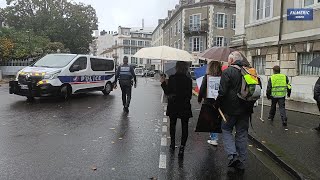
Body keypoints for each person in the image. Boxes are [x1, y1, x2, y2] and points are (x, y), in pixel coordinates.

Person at [215, 51, 254, 170]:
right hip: (246, 109)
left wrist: (217, 104)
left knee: (226, 129)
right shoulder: (248, 71)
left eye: (228, 60)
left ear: (232, 60)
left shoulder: (228, 72)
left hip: (230, 109)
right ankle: (241, 161)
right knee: (242, 133)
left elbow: (222, 92)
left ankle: (232, 156)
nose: (227, 62)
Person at [160, 61, 193, 158]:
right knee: (184, 126)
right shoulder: (188, 80)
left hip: (173, 105)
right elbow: (190, 95)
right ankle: (182, 147)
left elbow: (167, 92)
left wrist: (163, 83)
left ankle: (172, 144)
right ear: (186, 68)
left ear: (176, 68)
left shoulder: (172, 78)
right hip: (184, 106)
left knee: (173, 125)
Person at [198, 61, 223, 146]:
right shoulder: (222, 76)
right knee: (216, 119)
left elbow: (202, 88)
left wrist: (199, 98)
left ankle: (214, 138)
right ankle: (213, 137)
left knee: (211, 120)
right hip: (219, 101)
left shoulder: (207, 76)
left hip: (208, 101)